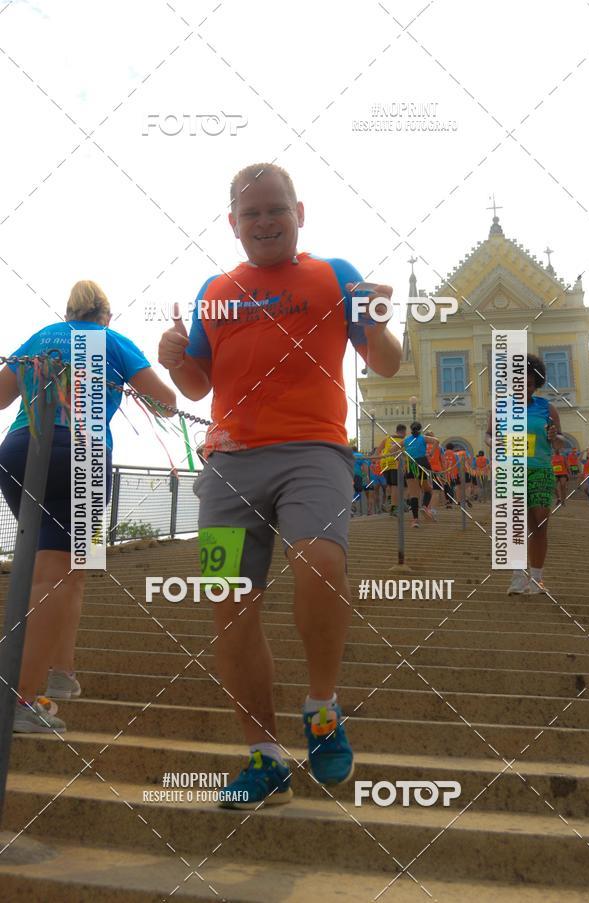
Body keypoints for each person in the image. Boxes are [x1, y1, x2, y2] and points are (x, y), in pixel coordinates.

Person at [158, 162, 402, 808]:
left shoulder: (335, 276)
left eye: (277, 209)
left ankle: (321, 709)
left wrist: (378, 322)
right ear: (232, 223)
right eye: (252, 213)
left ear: (300, 213)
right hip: (228, 462)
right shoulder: (215, 290)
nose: (265, 221)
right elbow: (197, 385)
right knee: (228, 602)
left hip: (313, 451)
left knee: (320, 560)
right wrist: (175, 358)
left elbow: (386, 362)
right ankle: (264, 758)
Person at [0, 280, 176, 733]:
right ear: (106, 316)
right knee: (59, 572)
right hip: (83, 456)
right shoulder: (113, 341)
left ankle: (62, 674)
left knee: (68, 568)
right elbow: (166, 405)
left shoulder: (41, 337)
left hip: (19, 449)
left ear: (68, 313)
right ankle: (20, 698)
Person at [486, 353, 565, 595]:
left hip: (540, 470)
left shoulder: (547, 408)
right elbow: (488, 435)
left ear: (536, 383)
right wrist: (494, 442)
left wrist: (554, 436)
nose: (523, 388)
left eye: (529, 383)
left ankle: (537, 578)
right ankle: (518, 577)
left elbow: (560, 442)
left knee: (540, 523)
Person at [404, 422, 436, 528]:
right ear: (420, 429)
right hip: (422, 462)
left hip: (410, 464)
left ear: (410, 429)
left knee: (413, 494)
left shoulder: (406, 440)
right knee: (428, 489)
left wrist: (405, 453)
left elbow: (392, 449)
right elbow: (436, 441)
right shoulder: (423, 438)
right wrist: (431, 453)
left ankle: (415, 520)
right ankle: (424, 506)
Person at [376, 424, 406, 516]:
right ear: (404, 432)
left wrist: (379, 459)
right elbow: (405, 455)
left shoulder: (387, 438)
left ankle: (389, 500)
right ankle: (394, 507)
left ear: (396, 431)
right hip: (395, 464)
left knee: (389, 484)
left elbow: (378, 450)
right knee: (395, 486)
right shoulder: (404, 441)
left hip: (385, 463)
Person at [443, 442, 458, 508]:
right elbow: (458, 464)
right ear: (453, 448)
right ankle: (450, 502)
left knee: (446, 488)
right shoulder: (455, 454)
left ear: (446, 447)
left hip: (444, 474)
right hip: (452, 474)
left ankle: (447, 501)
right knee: (451, 488)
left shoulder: (443, 453)